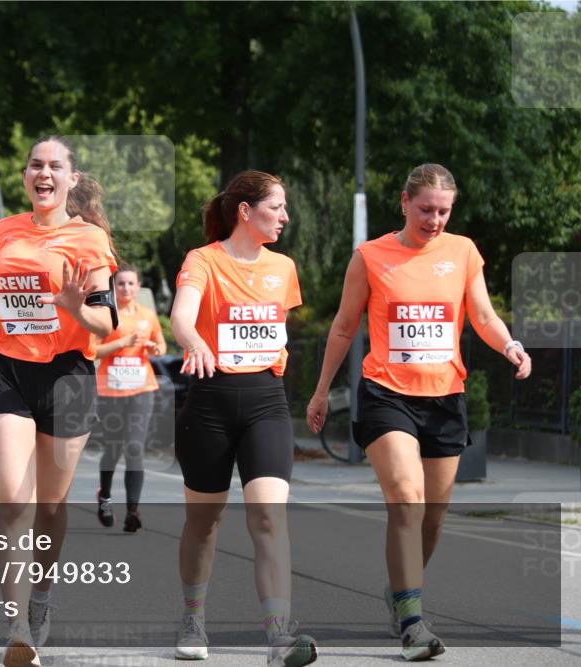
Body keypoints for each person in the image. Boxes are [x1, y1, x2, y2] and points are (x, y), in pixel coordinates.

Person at [306, 164, 531, 662]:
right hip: (387, 394)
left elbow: (484, 315)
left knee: (433, 518)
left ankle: (399, 590)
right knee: (406, 499)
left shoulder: (463, 251)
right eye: (426, 209)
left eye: (444, 211)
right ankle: (413, 622)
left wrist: (510, 345)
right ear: (404, 202)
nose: (434, 220)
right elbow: (344, 327)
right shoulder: (370, 257)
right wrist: (322, 391)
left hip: (446, 396)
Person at [0, 136, 118, 667]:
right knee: (15, 502)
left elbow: (106, 322)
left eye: (55, 166)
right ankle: (17, 631)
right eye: (36, 164)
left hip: (69, 376)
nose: (44, 173)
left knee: (51, 507)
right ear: (25, 174)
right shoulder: (2, 232)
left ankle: (42, 596)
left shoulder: (88, 239)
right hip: (7, 371)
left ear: (71, 179)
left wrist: (78, 307)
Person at [170, 171, 317, 667]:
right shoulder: (203, 260)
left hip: (266, 402)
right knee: (204, 523)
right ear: (245, 212)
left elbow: (275, 327)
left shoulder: (284, 267)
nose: (285, 216)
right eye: (277, 207)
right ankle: (193, 618)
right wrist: (193, 342)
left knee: (268, 517)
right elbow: (182, 317)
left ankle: (279, 637)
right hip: (209, 402)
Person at [93, 265, 165, 533]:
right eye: (120, 284)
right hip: (110, 390)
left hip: (142, 389)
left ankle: (133, 511)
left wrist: (156, 348)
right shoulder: (106, 316)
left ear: (138, 287)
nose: (125, 288)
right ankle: (105, 497)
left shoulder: (147, 315)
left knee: (134, 448)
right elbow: (93, 349)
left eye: (130, 284)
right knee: (112, 449)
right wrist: (123, 343)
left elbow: (160, 343)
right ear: (114, 287)